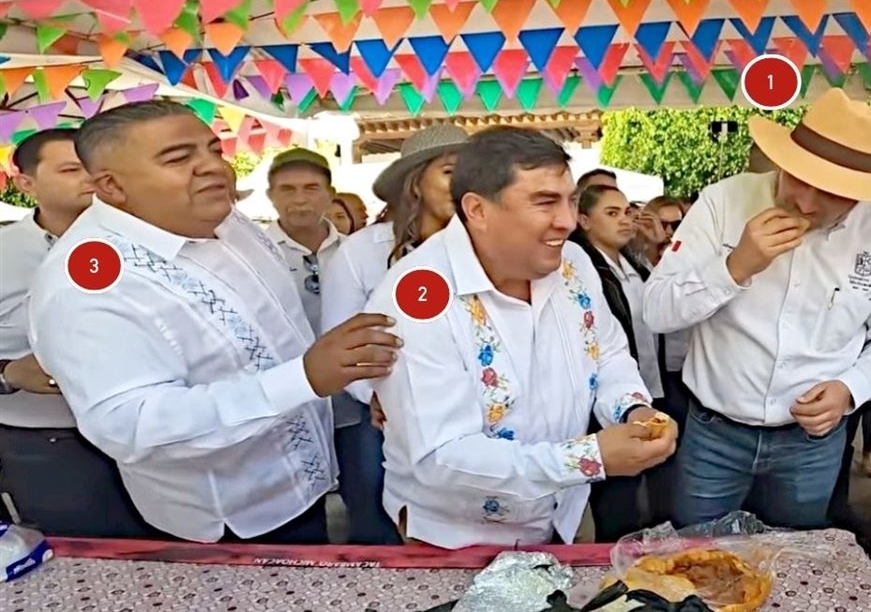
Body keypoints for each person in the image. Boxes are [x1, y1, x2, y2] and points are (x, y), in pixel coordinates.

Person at [27, 101, 401, 543]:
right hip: (230, 520)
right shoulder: (87, 284)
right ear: (111, 186)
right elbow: (134, 426)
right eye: (179, 158)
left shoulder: (226, 220)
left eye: (213, 150)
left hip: (304, 481)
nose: (213, 168)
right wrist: (303, 379)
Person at [365, 126, 677, 549]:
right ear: (477, 210)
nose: (567, 221)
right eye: (544, 202)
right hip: (458, 537)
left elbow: (607, 353)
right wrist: (589, 459)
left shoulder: (573, 262)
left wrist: (633, 411)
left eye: (569, 200)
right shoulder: (415, 297)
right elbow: (440, 458)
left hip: (564, 514)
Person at [643, 88, 871, 530]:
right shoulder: (724, 202)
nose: (807, 203)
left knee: (796, 560)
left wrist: (851, 388)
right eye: (797, 178)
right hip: (713, 433)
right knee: (696, 557)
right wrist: (736, 267)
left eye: (833, 192)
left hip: (811, 445)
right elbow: (657, 311)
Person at [0, 129, 153, 538]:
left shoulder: (148, 244)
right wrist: (9, 373)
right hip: (48, 442)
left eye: (94, 167)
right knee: (83, 559)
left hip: (150, 431)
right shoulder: (3, 252)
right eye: (71, 169)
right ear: (25, 183)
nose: (88, 178)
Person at [320, 124, 468, 545]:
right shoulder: (363, 250)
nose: (464, 185)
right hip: (380, 418)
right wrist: (379, 397)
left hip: (470, 415)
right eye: (450, 172)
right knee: (383, 525)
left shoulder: (489, 249)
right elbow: (341, 341)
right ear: (415, 182)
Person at [569, 182, 664, 540]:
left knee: (647, 480)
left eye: (627, 212)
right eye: (611, 213)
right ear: (584, 220)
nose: (625, 220)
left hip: (643, 385)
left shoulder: (632, 261)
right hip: (605, 399)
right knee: (617, 495)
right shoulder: (582, 268)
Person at [266, 148, 342, 336]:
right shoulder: (254, 256)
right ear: (270, 196)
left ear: (330, 194)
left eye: (311, 188)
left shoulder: (356, 251)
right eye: (287, 189)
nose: (300, 199)